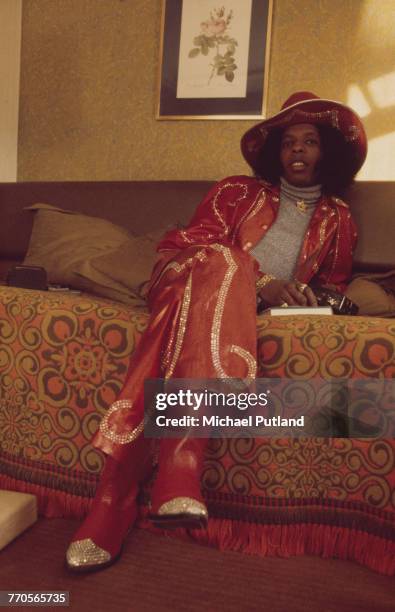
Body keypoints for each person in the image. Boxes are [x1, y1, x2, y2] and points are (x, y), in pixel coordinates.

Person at [65, 91, 367, 571]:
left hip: (220, 312)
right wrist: (261, 281)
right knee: (226, 260)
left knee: (177, 328)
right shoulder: (236, 191)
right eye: (289, 141)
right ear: (275, 151)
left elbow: (332, 283)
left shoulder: (338, 218)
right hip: (187, 275)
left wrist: (312, 298)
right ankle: (181, 467)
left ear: (324, 152)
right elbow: (197, 244)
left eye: (309, 142)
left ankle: (113, 499)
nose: (297, 150)